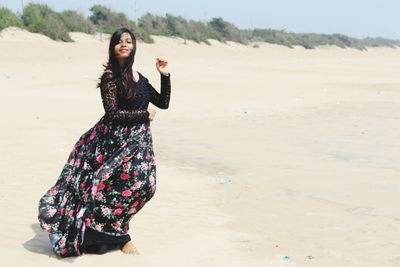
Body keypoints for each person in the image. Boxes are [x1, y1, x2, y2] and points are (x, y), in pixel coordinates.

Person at [37, 27, 171, 257]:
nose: (124, 44)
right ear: (113, 48)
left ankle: (115, 231)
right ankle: (116, 237)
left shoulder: (141, 78)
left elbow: (163, 102)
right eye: (119, 42)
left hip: (139, 143)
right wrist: (144, 115)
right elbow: (112, 113)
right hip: (112, 142)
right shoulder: (111, 76)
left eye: (128, 41)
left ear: (134, 46)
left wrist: (165, 75)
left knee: (145, 186)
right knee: (104, 187)